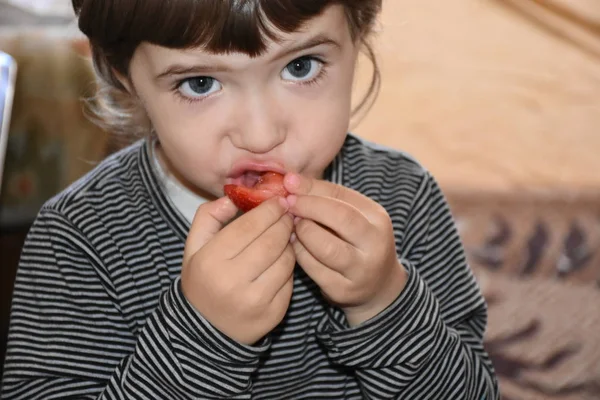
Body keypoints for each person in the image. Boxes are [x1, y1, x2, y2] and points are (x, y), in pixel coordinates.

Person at [1, 1, 499, 399]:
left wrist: (385, 303)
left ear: (359, 32)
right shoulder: (80, 236)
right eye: (201, 83)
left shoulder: (402, 198)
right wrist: (200, 338)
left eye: (301, 67)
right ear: (123, 73)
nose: (261, 136)